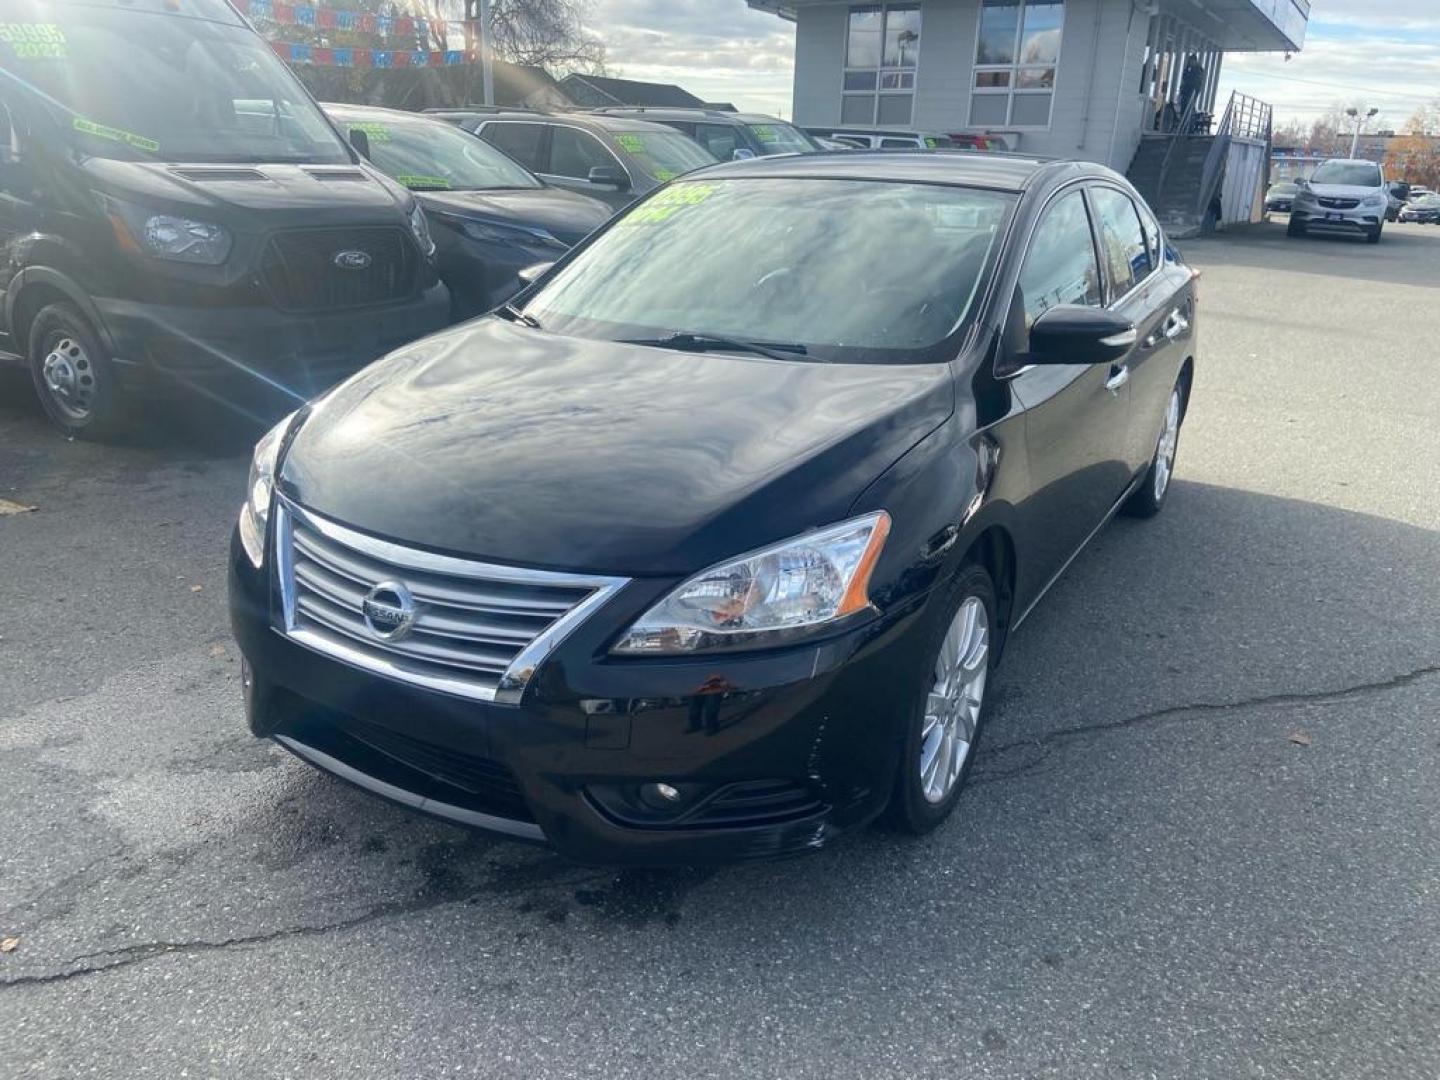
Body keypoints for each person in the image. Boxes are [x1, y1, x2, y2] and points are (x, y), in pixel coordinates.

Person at [1179, 54, 1206, 119]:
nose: (1190, 63)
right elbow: (1184, 77)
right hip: (1187, 92)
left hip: (1191, 92)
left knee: (1187, 108)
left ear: (1194, 61)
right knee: (1184, 107)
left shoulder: (1198, 70)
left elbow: (1193, 81)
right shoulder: (1191, 69)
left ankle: (1187, 123)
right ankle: (1183, 120)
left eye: (1191, 61)